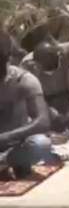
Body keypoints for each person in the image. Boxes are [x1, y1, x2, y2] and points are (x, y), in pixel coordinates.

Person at [0, 33, 55, 179]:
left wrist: (8, 136)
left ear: (7, 57)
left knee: (41, 144)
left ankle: (6, 163)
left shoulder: (24, 80)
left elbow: (43, 121)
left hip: (14, 144)